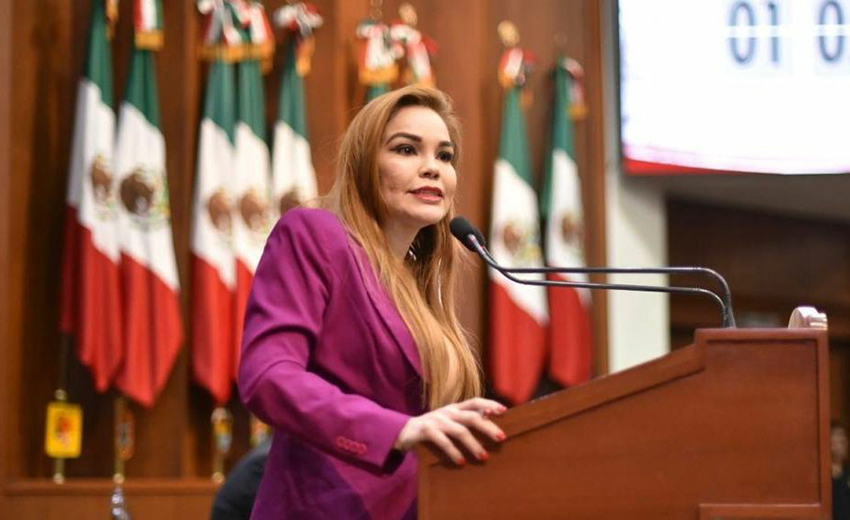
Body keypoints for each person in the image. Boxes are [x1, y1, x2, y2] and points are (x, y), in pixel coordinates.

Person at [238, 85, 507, 520]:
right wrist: (397, 430)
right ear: (366, 164)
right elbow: (268, 377)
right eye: (406, 149)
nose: (432, 168)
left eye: (445, 156)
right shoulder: (315, 235)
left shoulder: (419, 289)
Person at [833, 421, 850, 520]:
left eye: (844, 436)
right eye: (838, 436)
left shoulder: (848, 472)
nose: (844, 441)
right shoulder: (822, 477)